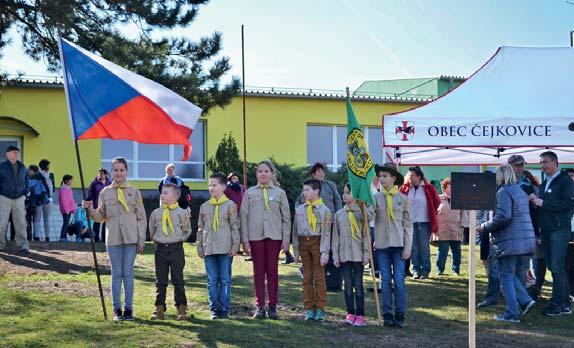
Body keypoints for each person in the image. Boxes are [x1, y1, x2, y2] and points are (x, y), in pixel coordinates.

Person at [83, 157, 147, 321]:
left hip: (131, 239)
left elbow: (141, 217)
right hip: (113, 239)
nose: (118, 173)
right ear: (111, 172)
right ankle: (117, 309)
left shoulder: (134, 191)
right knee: (116, 273)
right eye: (115, 170)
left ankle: (129, 309)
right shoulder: (105, 193)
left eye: (122, 170)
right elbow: (101, 216)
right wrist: (90, 209)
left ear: (126, 172)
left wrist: (141, 240)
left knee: (128, 273)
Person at [479, 164, 536, 323]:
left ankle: (512, 312)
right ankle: (525, 300)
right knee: (509, 274)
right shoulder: (519, 191)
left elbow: (504, 217)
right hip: (523, 239)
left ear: (501, 176)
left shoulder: (503, 192)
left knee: (505, 275)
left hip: (509, 240)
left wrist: (483, 227)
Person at [240, 160, 291, 320]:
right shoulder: (249, 193)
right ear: (256, 174)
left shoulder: (279, 193)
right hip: (256, 236)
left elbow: (286, 217)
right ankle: (260, 306)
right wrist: (245, 239)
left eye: (266, 171)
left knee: (273, 272)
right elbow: (243, 216)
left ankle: (273, 306)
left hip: (274, 236)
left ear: (272, 174)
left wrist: (286, 239)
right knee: (258, 272)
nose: (263, 174)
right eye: (260, 171)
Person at [531, 151, 574, 316]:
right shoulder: (546, 180)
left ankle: (557, 304)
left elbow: (568, 204)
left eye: (545, 162)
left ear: (555, 162)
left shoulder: (564, 180)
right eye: (541, 162)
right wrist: (537, 203)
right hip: (548, 229)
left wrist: (544, 203)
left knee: (556, 267)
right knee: (554, 267)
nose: (543, 165)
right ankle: (564, 303)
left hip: (559, 229)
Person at [373, 163, 412, 328]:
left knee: (399, 280)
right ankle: (387, 313)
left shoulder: (402, 199)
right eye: (380, 176)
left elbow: (408, 225)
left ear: (393, 179)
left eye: (385, 176)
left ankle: (400, 313)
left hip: (398, 245)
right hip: (382, 245)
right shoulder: (375, 198)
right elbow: (368, 215)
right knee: (385, 280)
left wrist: (408, 247)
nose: (381, 179)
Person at [197, 172, 240, 320]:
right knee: (212, 280)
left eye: (214, 185)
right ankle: (214, 308)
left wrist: (235, 246)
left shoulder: (230, 205)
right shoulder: (204, 206)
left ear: (223, 187)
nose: (211, 188)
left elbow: (235, 227)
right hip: (209, 248)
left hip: (225, 248)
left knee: (225, 279)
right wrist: (199, 246)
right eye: (210, 185)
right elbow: (200, 228)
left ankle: (224, 308)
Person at [149, 183, 192, 321]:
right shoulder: (156, 213)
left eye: (166, 193)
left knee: (178, 279)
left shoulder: (182, 213)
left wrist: (178, 240)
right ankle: (159, 308)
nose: (162, 195)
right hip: (161, 249)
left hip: (176, 249)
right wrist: (158, 240)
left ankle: (181, 307)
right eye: (162, 192)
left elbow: (187, 230)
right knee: (160, 280)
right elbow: (152, 230)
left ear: (175, 196)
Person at [292, 178, 332, 321]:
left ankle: (320, 309)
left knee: (319, 278)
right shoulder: (300, 210)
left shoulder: (325, 210)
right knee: (307, 278)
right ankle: (309, 308)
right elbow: (295, 231)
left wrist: (324, 252)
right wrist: (295, 251)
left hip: (318, 244)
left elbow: (327, 232)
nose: (305, 192)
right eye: (304, 190)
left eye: (307, 190)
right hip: (304, 244)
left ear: (316, 191)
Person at [332, 183, 371, 326]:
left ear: (355, 196)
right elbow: (335, 237)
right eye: (344, 192)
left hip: (358, 255)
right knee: (347, 284)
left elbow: (366, 236)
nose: (344, 195)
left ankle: (360, 315)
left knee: (358, 284)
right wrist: (335, 256)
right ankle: (350, 313)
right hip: (344, 255)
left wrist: (366, 254)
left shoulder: (362, 213)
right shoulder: (339, 215)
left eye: (348, 192)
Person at [399, 166, 440, 279]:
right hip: (409, 223)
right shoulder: (405, 188)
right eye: (409, 175)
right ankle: (416, 270)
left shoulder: (428, 188)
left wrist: (431, 212)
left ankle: (425, 270)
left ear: (419, 176)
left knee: (424, 247)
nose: (410, 177)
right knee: (413, 247)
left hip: (424, 222)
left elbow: (437, 201)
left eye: (412, 175)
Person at [434, 178, 469, 276]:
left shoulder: (459, 199)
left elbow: (464, 213)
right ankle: (439, 270)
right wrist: (434, 227)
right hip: (442, 229)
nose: (452, 189)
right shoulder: (438, 198)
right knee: (443, 250)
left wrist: (463, 225)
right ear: (444, 188)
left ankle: (456, 270)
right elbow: (433, 212)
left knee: (456, 250)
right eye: (449, 187)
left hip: (456, 228)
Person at [0, 145, 29, 254]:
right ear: (7, 154)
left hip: (19, 198)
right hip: (4, 198)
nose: (16, 154)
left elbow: (26, 180)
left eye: (17, 153)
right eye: (14, 152)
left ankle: (23, 246)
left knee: (21, 223)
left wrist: (25, 192)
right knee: (1, 223)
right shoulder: (2, 167)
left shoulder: (22, 166)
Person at [87, 168, 111, 243]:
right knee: (97, 222)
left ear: (105, 174)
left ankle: (104, 239)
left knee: (105, 223)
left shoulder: (109, 183)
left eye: (101, 173)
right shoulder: (94, 183)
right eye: (99, 173)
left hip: (107, 206)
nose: (100, 175)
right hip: (96, 206)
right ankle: (96, 239)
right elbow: (90, 192)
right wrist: (89, 200)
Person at [26, 165, 48, 241]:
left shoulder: (34, 179)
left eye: (29, 170)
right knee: (35, 219)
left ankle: (32, 236)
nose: (28, 171)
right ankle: (35, 237)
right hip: (38, 201)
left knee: (32, 219)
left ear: (32, 171)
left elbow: (38, 191)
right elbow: (44, 191)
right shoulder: (41, 178)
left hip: (33, 201)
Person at [35, 159, 55, 241]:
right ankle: (36, 236)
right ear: (44, 166)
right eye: (48, 165)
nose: (49, 167)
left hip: (49, 199)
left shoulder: (51, 175)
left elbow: (53, 187)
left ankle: (47, 237)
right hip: (39, 199)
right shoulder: (37, 175)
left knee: (46, 218)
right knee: (37, 218)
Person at [58, 175, 76, 242]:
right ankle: (62, 237)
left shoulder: (68, 188)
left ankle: (64, 237)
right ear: (66, 181)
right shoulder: (63, 189)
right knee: (65, 223)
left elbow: (71, 200)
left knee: (66, 223)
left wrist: (73, 208)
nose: (72, 182)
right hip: (66, 210)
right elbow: (63, 201)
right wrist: (66, 210)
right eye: (70, 180)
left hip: (69, 210)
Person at [565, 168, 574, 301]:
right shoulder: (563, 193)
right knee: (568, 264)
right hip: (566, 231)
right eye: (569, 176)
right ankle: (570, 291)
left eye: (573, 176)